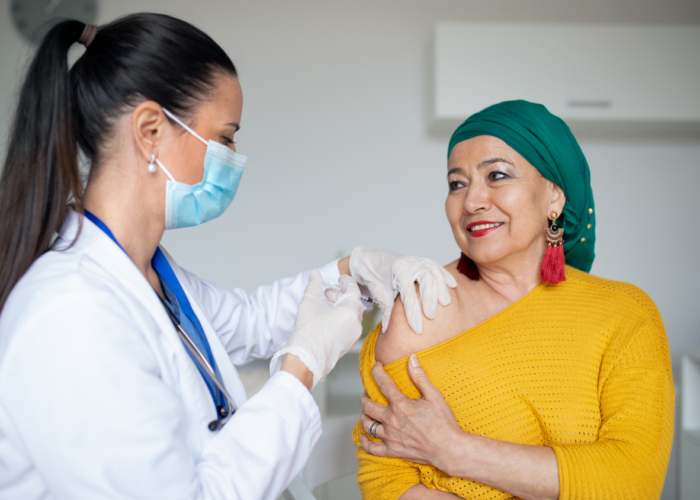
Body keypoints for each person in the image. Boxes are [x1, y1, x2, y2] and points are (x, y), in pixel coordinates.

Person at [0, 15, 456, 500]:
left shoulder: (150, 272)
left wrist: (357, 272)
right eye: (224, 137)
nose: (235, 157)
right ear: (151, 130)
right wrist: (300, 369)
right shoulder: (69, 314)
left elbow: (250, 320)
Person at [353, 100, 674, 500]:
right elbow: (386, 480)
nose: (472, 201)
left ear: (554, 197)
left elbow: (633, 481)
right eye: (457, 183)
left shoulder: (626, 315)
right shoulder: (420, 311)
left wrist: (454, 450)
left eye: (497, 175)